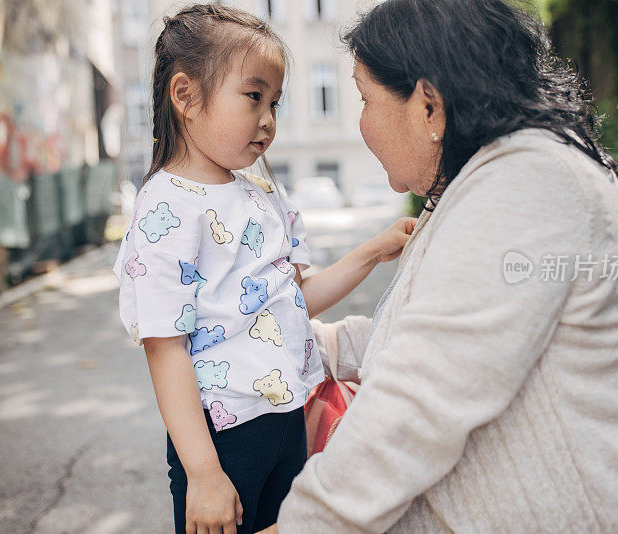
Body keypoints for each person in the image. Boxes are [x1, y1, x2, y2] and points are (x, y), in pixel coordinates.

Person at [261, 0, 618, 532]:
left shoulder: (528, 184)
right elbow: (439, 336)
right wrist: (316, 344)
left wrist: (302, 524)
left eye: (366, 99)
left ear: (429, 107)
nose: (362, 123)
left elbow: (419, 401)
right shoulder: (493, 177)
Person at [111, 5, 415, 534]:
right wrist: (204, 474)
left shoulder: (262, 195)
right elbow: (166, 347)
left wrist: (373, 251)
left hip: (288, 420)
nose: (269, 118)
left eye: (275, 101)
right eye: (254, 97)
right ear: (185, 96)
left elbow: (291, 302)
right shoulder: (167, 208)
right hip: (223, 438)